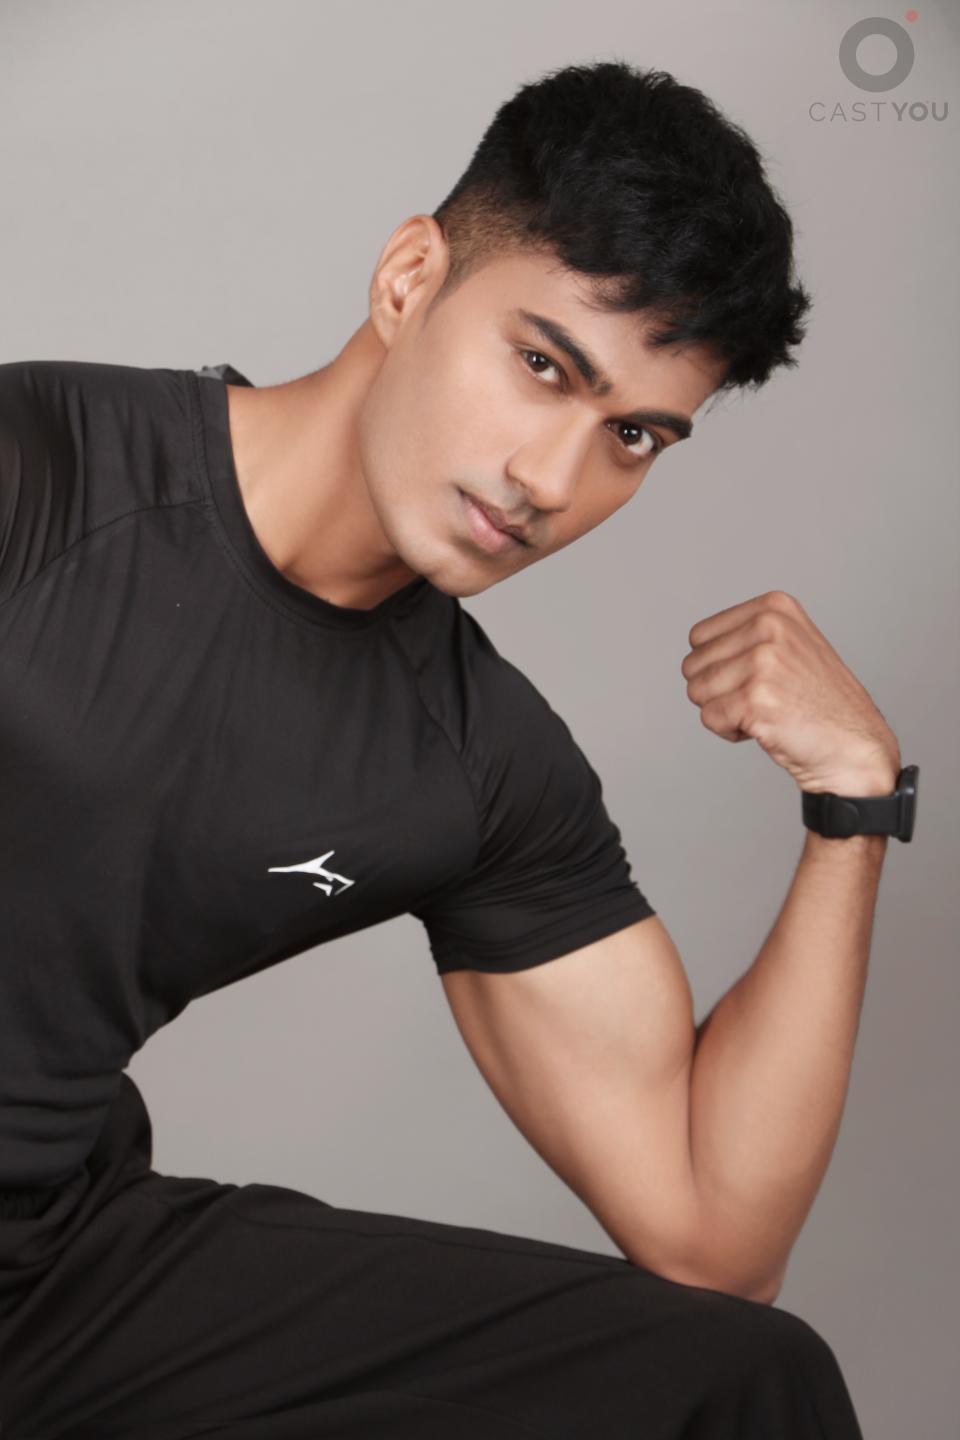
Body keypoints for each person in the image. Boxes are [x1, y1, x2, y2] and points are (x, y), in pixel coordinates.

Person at [0, 58, 868, 1438]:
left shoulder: (477, 764)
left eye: (632, 436)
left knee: (746, 1379)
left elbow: (713, 1235)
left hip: (48, 1275)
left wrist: (853, 805)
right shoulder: (41, 470)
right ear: (409, 279)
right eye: (543, 366)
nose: (550, 481)